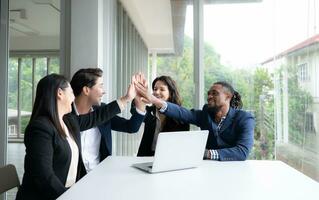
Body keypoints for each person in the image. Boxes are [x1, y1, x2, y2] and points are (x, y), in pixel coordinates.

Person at [16, 73, 136, 200]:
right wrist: (69, 196)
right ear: (60, 93)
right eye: (71, 92)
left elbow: (97, 117)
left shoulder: (69, 120)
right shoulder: (40, 129)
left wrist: (126, 98)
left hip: (68, 192)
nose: (74, 97)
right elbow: (44, 176)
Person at [135, 79, 255, 161]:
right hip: (207, 171)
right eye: (208, 93)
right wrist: (154, 100)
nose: (209, 96)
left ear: (228, 97)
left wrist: (207, 153)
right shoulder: (205, 114)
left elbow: (242, 151)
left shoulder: (244, 118)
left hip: (235, 172)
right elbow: (182, 113)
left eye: (214, 93)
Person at [70, 68, 146, 172]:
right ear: (86, 90)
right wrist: (126, 98)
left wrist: (140, 102)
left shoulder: (102, 110)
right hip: (74, 181)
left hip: (100, 175)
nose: (104, 91)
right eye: (101, 86)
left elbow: (131, 127)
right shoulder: (65, 115)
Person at [136, 75, 189, 156]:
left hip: (169, 159)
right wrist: (140, 96)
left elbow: (182, 145)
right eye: (155, 89)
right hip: (145, 157)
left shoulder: (180, 116)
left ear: (171, 93)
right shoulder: (149, 111)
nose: (157, 92)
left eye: (162, 89)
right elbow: (134, 110)